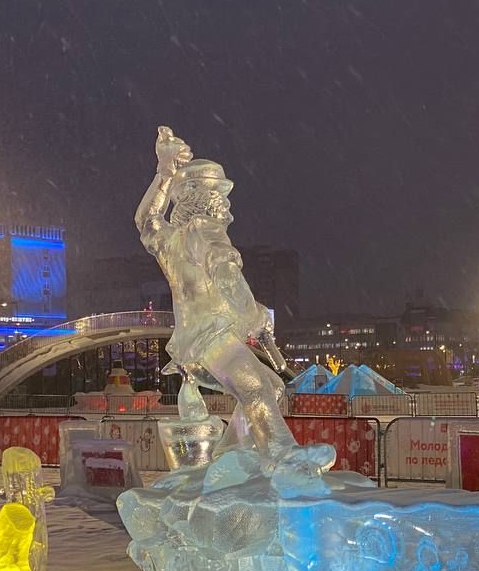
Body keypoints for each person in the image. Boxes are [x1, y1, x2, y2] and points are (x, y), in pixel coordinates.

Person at [135, 126, 333, 487]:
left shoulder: (170, 241)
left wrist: (163, 173)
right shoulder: (204, 229)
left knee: (271, 387)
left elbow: (146, 221)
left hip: (192, 347)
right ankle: (281, 454)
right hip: (213, 337)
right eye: (218, 194)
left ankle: (229, 456)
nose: (225, 204)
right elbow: (225, 271)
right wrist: (252, 314)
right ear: (198, 197)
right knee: (256, 388)